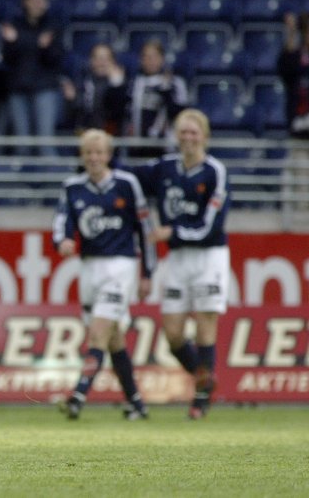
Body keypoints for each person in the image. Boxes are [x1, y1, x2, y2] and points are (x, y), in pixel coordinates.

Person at [131, 108, 230, 420]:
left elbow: (211, 226)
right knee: (172, 333)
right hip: (177, 258)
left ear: (205, 136)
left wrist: (173, 231)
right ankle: (205, 378)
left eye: (194, 132)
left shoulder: (214, 171)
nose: (188, 138)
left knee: (205, 325)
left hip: (208, 256)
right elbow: (130, 177)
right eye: (183, 132)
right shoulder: (164, 168)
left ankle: (200, 400)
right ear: (176, 135)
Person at [52, 129, 156, 421]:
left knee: (97, 333)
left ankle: (77, 396)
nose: (94, 158)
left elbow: (145, 230)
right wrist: (62, 241)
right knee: (113, 339)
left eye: (99, 152)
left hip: (120, 266)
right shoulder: (72, 187)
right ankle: (137, 403)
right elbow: (61, 221)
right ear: (82, 156)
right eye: (88, 152)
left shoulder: (126, 184)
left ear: (109, 155)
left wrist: (147, 272)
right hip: (89, 267)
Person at [1, 0, 64, 155]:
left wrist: (23, 42)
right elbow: (7, 59)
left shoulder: (53, 25)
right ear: (25, 1)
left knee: (45, 142)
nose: (38, 3)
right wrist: (29, 43)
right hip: (18, 88)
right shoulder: (14, 24)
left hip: (45, 87)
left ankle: (50, 173)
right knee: (22, 144)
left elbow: (56, 58)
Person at [125, 39, 188, 158]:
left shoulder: (175, 83)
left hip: (165, 146)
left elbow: (180, 114)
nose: (150, 61)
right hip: (138, 145)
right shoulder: (134, 83)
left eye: (154, 57)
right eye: (146, 57)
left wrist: (166, 90)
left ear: (162, 58)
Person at [277, 11, 309, 209]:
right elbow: (285, 68)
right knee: (301, 184)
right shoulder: (297, 57)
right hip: (300, 133)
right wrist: (291, 32)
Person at [62, 43, 127, 137]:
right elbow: (76, 114)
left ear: (113, 61)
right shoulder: (82, 81)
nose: (102, 63)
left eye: (105, 59)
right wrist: (72, 100)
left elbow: (118, 112)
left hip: (112, 134)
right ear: (91, 60)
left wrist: (116, 84)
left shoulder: (120, 83)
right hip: (87, 134)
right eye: (98, 58)